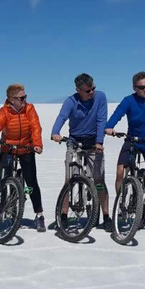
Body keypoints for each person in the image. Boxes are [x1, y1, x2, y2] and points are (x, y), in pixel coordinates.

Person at [105, 71, 145, 231]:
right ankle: (122, 204)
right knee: (120, 172)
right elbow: (118, 113)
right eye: (142, 88)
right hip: (133, 140)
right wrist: (109, 126)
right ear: (135, 88)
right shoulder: (129, 100)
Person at [51, 73, 111, 230]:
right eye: (87, 91)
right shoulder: (71, 101)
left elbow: (101, 120)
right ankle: (63, 215)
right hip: (75, 142)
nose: (91, 92)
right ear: (78, 90)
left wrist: (99, 142)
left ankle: (106, 216)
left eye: (93, 89)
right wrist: (55, 132)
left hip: (93, 143)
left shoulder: (100, 98)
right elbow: (62, 117)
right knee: (69, 180)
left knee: (98, 181)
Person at [0, 83, 45, 231]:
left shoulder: (29, 109)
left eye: (25, 97)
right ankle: (1, 206)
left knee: (31, 183)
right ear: (12, 99)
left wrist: (37, 144)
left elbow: (35, 127)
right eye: (21, 98)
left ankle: (39, 215)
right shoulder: (5, 111)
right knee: (2, 180)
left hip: (26, 148)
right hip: (8, 148)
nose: (25, 100)